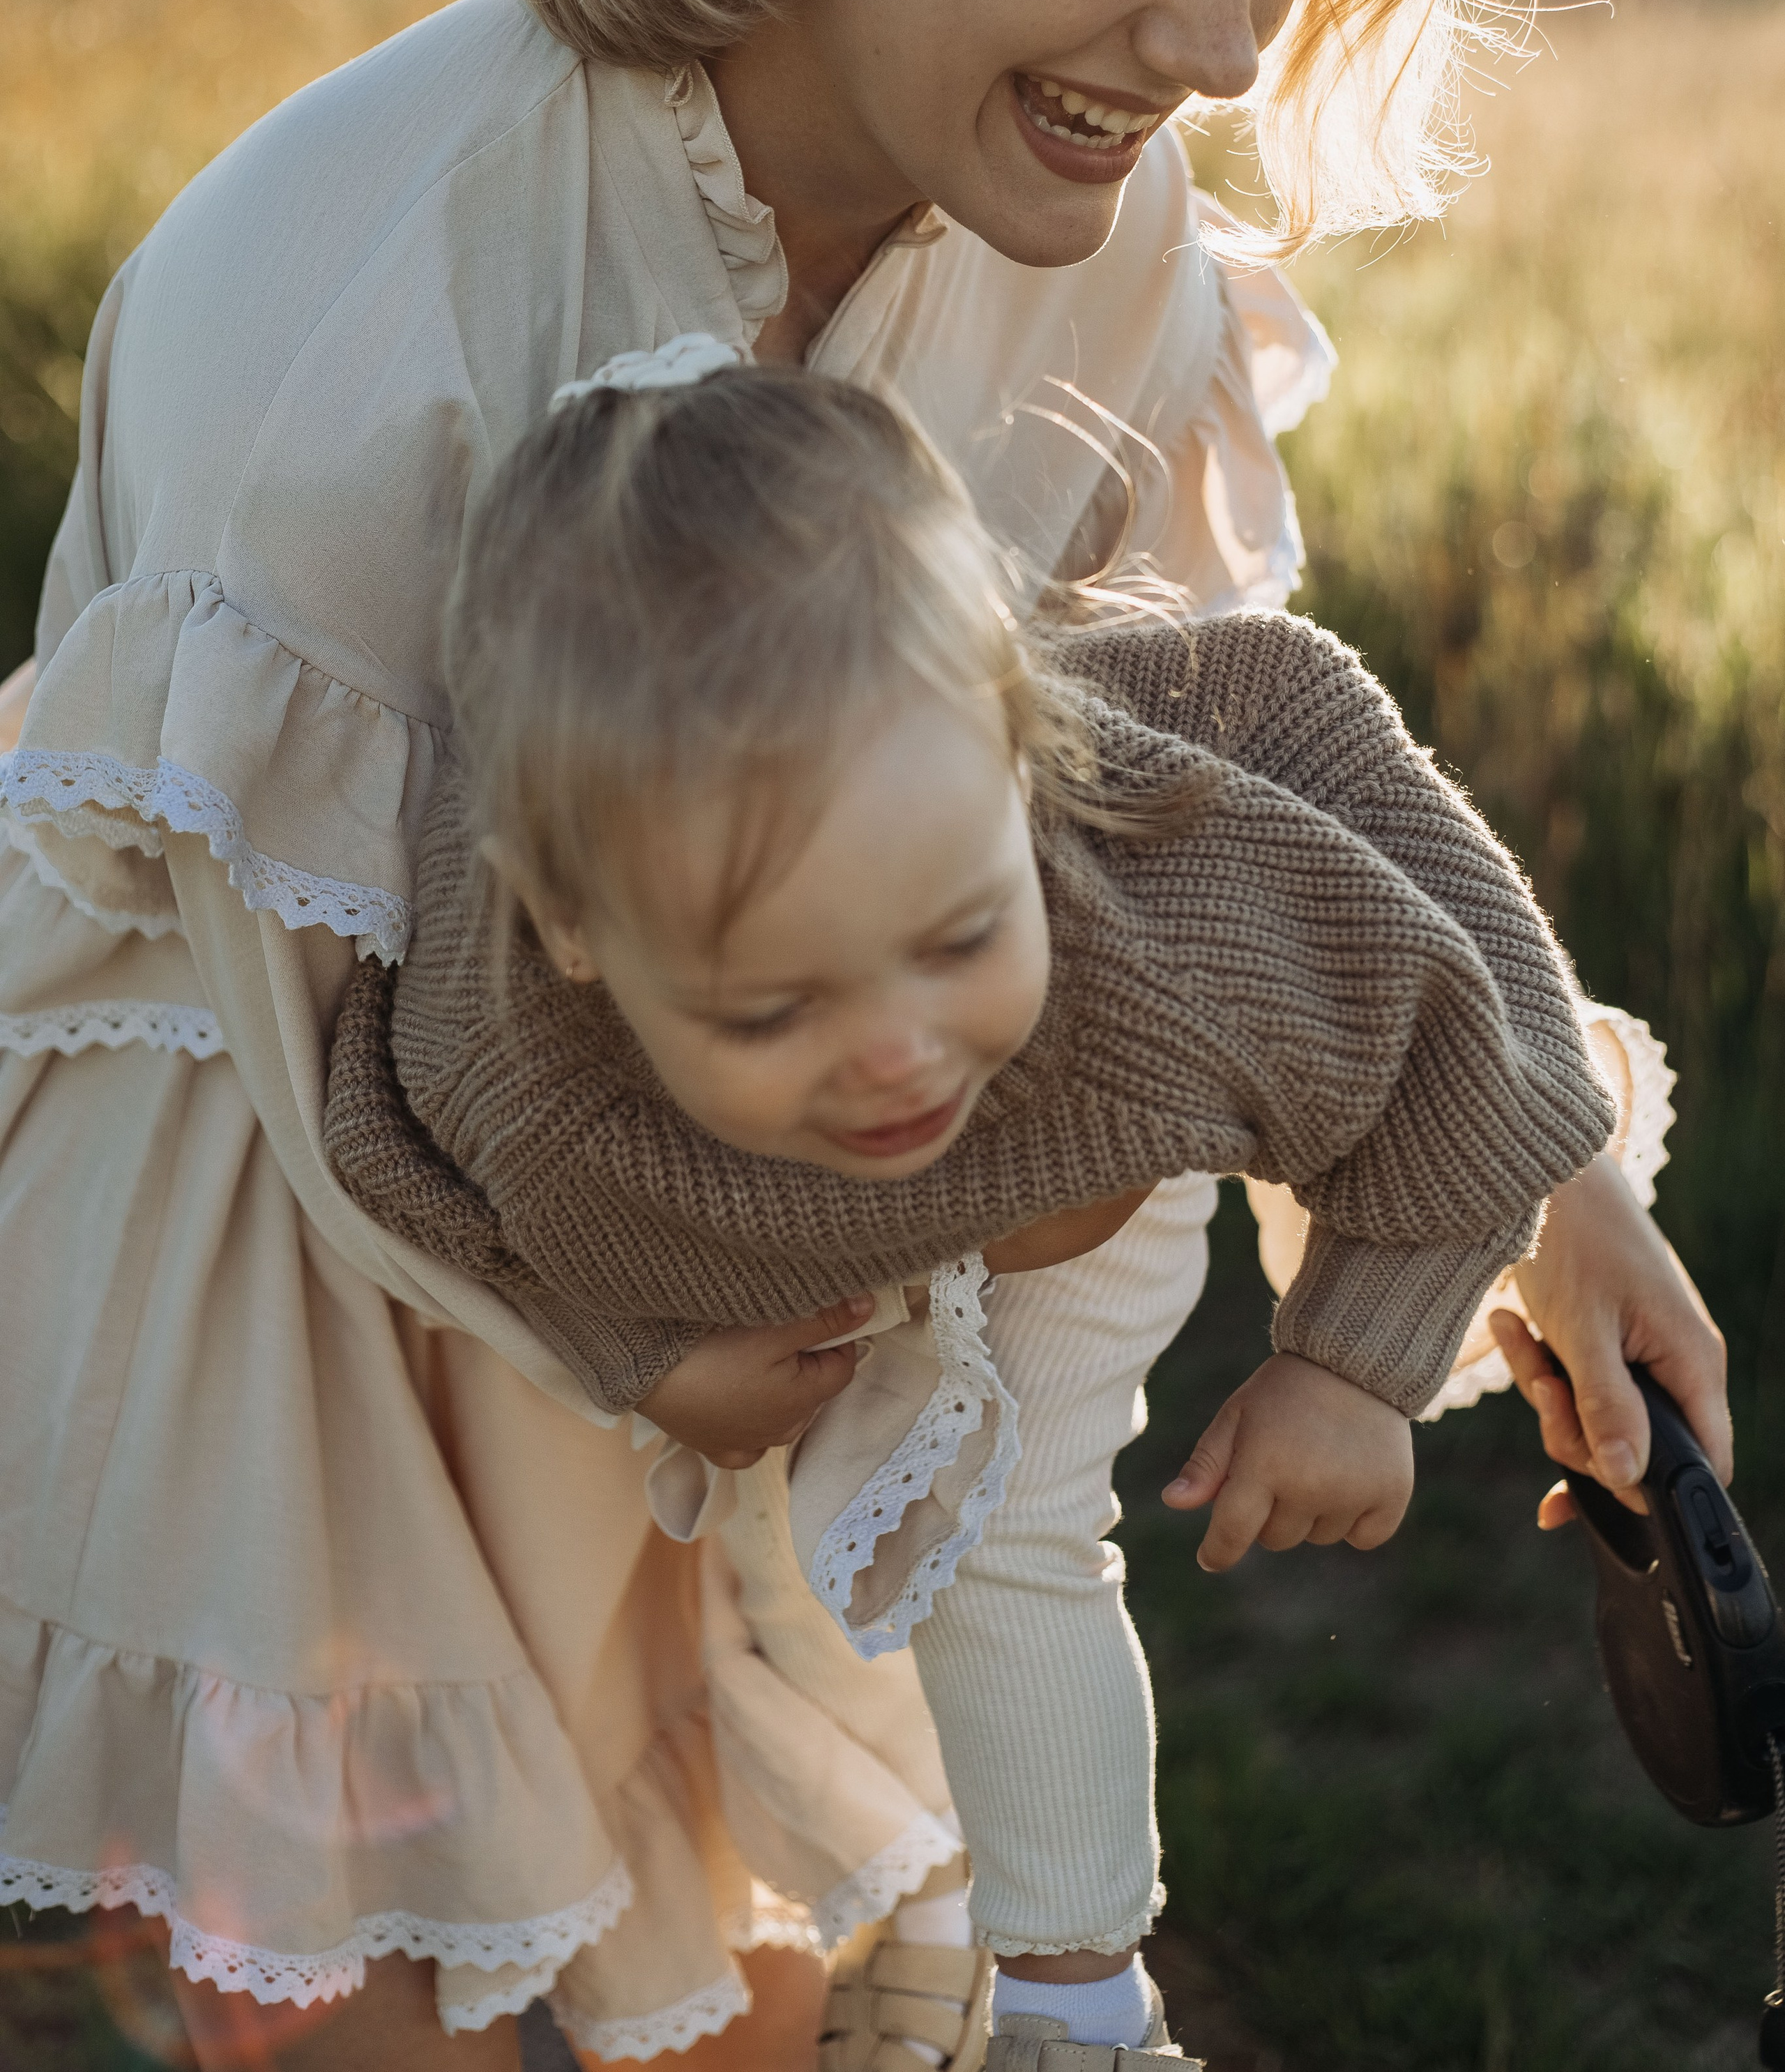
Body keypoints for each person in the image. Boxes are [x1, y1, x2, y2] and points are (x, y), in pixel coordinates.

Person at [0, 0, 1738, 2065]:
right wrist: (634, 1352)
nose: (1222, 38)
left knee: (760, 2007)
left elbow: (1210, 773)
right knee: (396, 2006)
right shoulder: (348, 297)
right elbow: (292, 1020)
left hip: (776, 1217)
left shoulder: (1109, 229)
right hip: (334, 1261)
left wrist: (1538, 1172)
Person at [320, 345, 1622, 2063]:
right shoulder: (520, 1073)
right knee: (824, 1567)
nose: (893, 1058)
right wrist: (633, 1353)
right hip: (793, 1211)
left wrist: (1350, 1361)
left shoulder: (1181, 920)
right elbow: (400, 1164)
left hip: (1095, 1112)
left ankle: (1082, 2015)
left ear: (1022, 774)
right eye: (774, 1008)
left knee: (1004, 1534)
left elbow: (1482, 1047)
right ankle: (922, 1889)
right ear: (576, 943)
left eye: (949, 940)